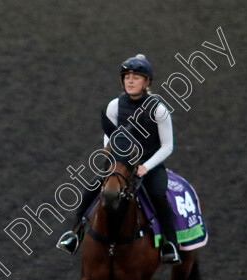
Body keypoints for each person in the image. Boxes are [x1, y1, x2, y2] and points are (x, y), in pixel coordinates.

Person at [57, 54, 181, 264]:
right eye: (127, 77)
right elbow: (110, 137)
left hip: (148, 165)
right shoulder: (115, 105)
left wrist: (146, 167)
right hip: (121, 163)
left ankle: (170, 244)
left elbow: (168, 146)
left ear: (147, 82)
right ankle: (75, 234)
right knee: (90, 189)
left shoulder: (159, 109)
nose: (130, 81)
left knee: (159, 195)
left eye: (136, 77)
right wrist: (113, 156)